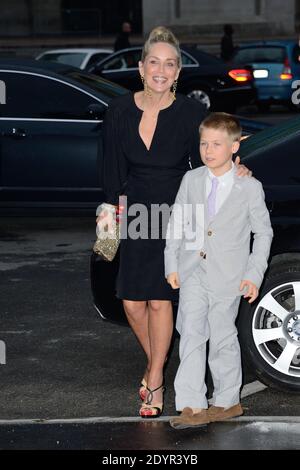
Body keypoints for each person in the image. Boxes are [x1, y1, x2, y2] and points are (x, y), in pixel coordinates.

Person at [97, 26, 251, 419]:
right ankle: (160, 362)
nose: (161, 71)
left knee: (160, 299)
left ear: (178, 72)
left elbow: (210, 157)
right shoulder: (118, 110)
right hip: (132, 214)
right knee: (131, 303)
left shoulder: (189, 113)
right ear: (141, 66)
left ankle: (155, 379)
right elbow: (110, 175)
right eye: (154, 62)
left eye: (170, 64)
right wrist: (107, 230)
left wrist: (237, 169)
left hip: (176, 213)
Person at [165, 112, 273, 429]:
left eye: (216, 144)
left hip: (229, 275)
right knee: (191, 335)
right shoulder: (192, 180)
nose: (208, 150)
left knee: (223, 337)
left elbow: (263, 233)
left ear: (234, 146)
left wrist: (253, 274)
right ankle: (191, 404)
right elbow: (176, 224)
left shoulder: (249, 186)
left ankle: (227, 401)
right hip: (193, 271)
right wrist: (172, 263)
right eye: (204, 144)